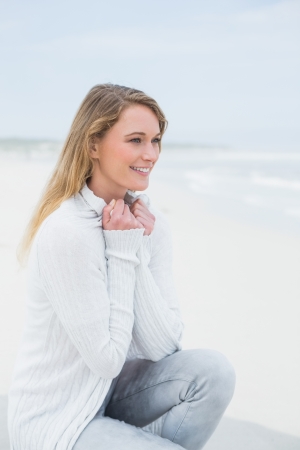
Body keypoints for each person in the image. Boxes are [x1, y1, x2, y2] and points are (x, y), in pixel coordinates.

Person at [8, 84, 235, 450]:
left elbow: (165, 349)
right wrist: (123, 251)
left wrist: (135, 250)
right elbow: (107, 360)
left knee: (214, 372)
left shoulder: (149, 226)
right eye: (135, 140)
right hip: (55, 420)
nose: (150, 154)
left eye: (156, 140)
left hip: (109, 398)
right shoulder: (68, 234)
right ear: (93, 145)